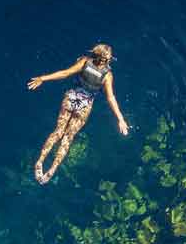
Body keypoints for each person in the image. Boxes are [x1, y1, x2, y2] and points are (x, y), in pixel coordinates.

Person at [28, 43, 129, 184]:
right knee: (68, 137)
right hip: (84, 105)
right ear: (107, 59)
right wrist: (120, 119)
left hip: (71, 98)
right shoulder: (107, 75)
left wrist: (43, 78)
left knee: (58, 131)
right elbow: (110, 97)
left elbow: (65, 73)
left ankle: (40, 161)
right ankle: (52, 169)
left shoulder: (84, 62)